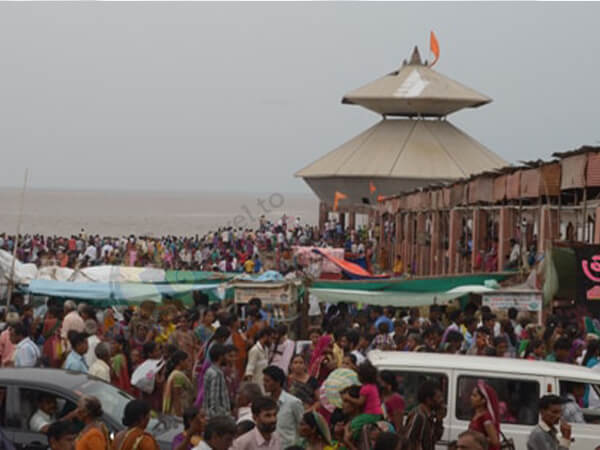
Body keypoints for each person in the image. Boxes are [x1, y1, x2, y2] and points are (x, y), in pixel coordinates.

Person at [262, 365, 303, 448]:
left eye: (267, 381)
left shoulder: (293, 402)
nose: (264, 384)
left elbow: (301, 426)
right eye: (264, 381)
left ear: (278, 382)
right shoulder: (264, 403)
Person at [405, 381, 445, 450]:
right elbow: (408, 441)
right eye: (438, 397)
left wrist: (439, 420)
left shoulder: (430, 416)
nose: (442, 400)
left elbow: (435, 438)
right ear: (428, 400)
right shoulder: (418, 416)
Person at [468, 381, 500, 450]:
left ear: (483, 400)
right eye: (471, 395)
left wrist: (477, 438)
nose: (471, 398)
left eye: (475, 396)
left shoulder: (486, 418)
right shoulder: (476, 414)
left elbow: (494, 440)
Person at [202, 343, 231, 418]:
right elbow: (214, 400)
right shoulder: (216, 374)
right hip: (217, 417)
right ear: (221, 357)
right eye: (226, 355)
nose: (227, 358)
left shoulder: (210, 370)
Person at [163, 351, 194, 417]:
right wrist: (179, 416)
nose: (188, 363)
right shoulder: (177, 375)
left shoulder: (176, 373)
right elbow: (176, 398)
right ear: (181, 362)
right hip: (179, 411)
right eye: (187, 361)